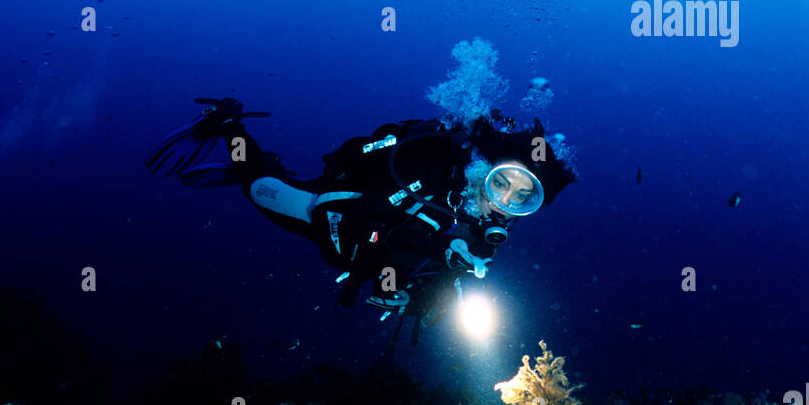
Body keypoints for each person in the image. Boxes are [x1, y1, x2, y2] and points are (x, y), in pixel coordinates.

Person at [145, 97, 575, 332]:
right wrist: (446, 243)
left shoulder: (491, 233)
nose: (502, 201)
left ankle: (259, 165)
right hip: (333, 215)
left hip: (363, 259)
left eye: (522, 198)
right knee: (256, 185)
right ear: (485, 168)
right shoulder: (431, 171)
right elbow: (372, 215)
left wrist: (409, 299)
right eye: (501, 182)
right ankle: (228, 125)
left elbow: (443, 284)